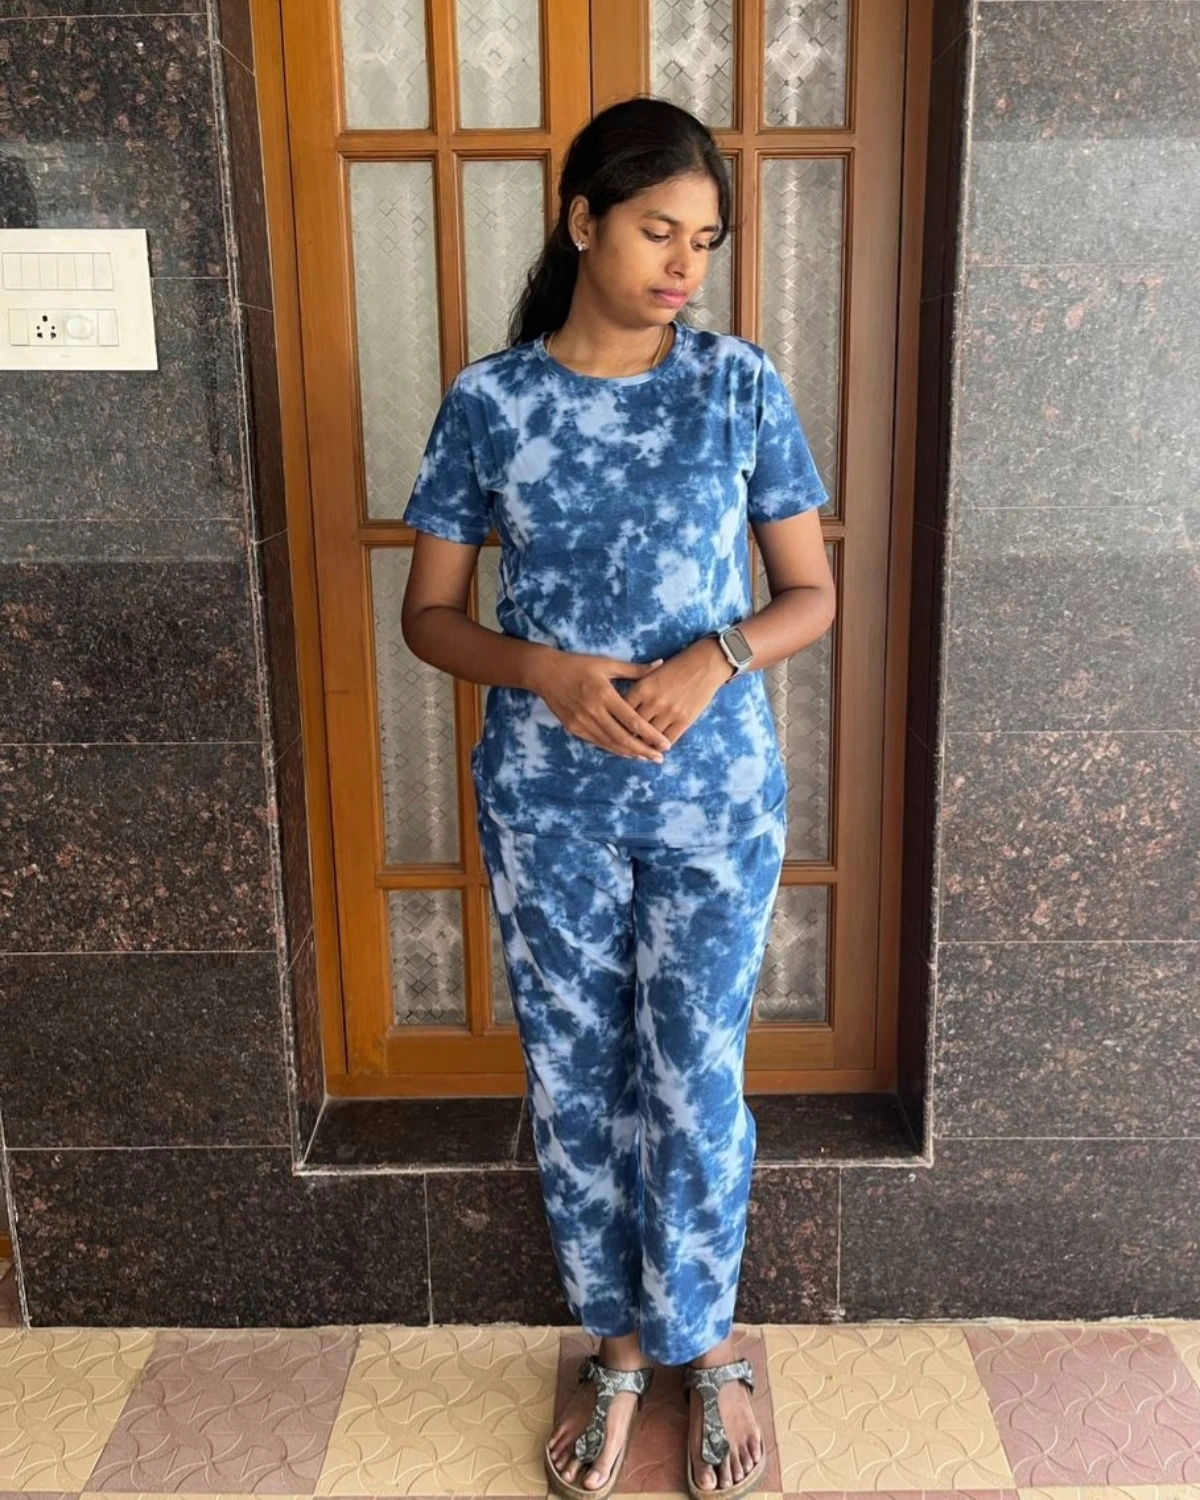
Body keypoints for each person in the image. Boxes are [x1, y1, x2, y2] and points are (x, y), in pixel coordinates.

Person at [401, 95, 835, 1500]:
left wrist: (717, 659)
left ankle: (709, 1348)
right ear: (583, 220)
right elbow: (429, 618)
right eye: (659, 230)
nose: (683, 265)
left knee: (696, 1072)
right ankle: (619, 1348)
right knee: (577, 1075)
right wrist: (541, 669)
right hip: (549, 802)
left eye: (705, 241)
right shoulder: (492, 401)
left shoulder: (737, 384)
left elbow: (809, 593)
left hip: (715, 798)